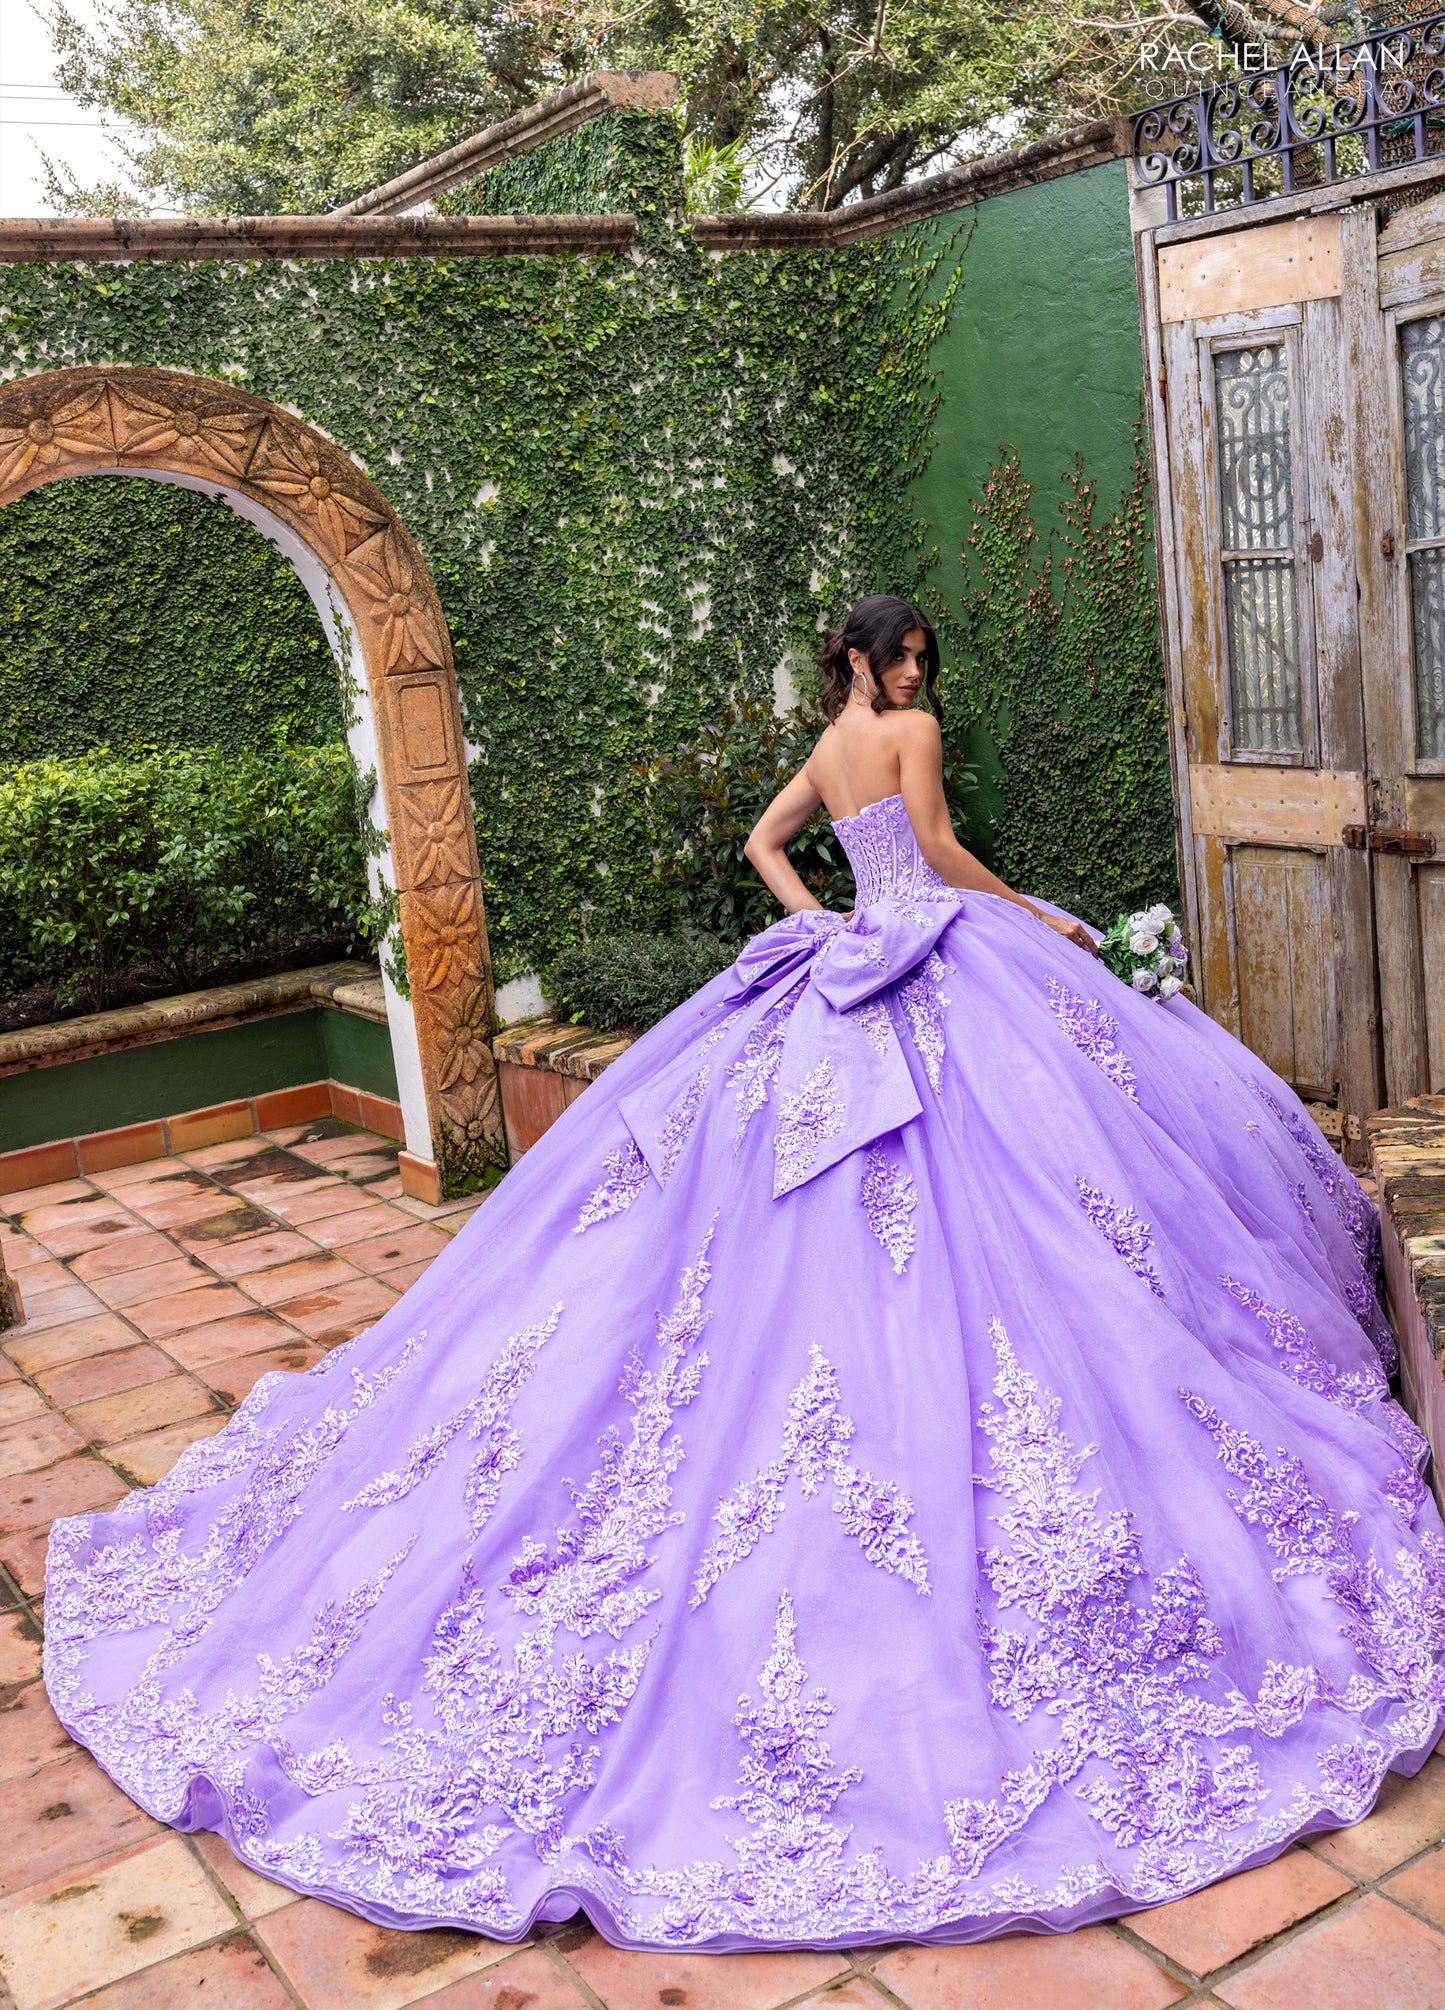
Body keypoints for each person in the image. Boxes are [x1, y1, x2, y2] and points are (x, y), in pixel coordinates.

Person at [44, 594, 1445, 1953]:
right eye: (903, 657)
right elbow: (937, 851)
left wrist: (827, 921)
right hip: (935, 957)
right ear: (867, 661)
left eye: (920, 660)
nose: (916, 675)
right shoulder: (909, 737)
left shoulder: (830, 746)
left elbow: (769, 843)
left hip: (849, 962)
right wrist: (1036, 914)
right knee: (1046, 1181)